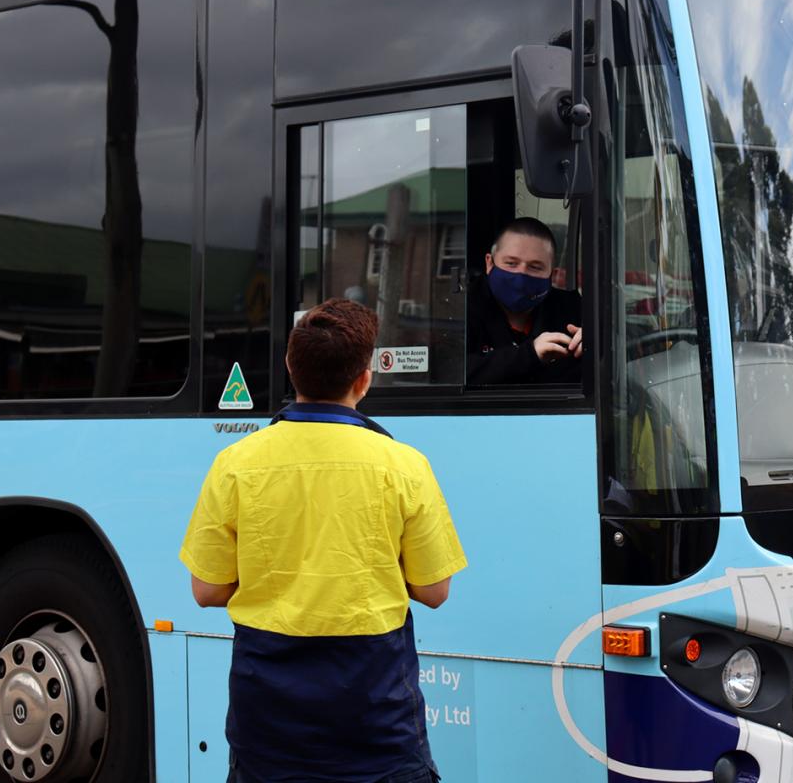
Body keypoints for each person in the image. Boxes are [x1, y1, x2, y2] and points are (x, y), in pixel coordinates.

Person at [179, 299, 466, 783]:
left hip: (267, 718)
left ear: (291, 369)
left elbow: (207, 591)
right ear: (364, 379)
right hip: (375, 717)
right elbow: (434, 591)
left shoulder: (235, 463)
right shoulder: (404, 466)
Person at [466, 216, 584, 385]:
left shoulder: (571, 308)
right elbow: (448, 371)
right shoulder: (461, 310)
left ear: (553, 273)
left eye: (535, 267)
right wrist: (530, 354)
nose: (520, 276)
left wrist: (595, 340)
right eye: (511, 263)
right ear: (489, 263)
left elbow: (625, 337)